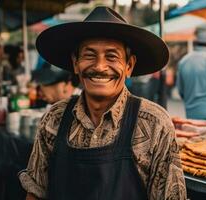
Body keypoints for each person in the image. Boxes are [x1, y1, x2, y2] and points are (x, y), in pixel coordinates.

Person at [19, 6, 186, 200]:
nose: (99, 66)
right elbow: (36, 192)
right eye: (89, 55)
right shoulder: (54, 118)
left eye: (111, 56)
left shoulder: (154, 123)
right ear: (75, 63)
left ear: (129, 65)